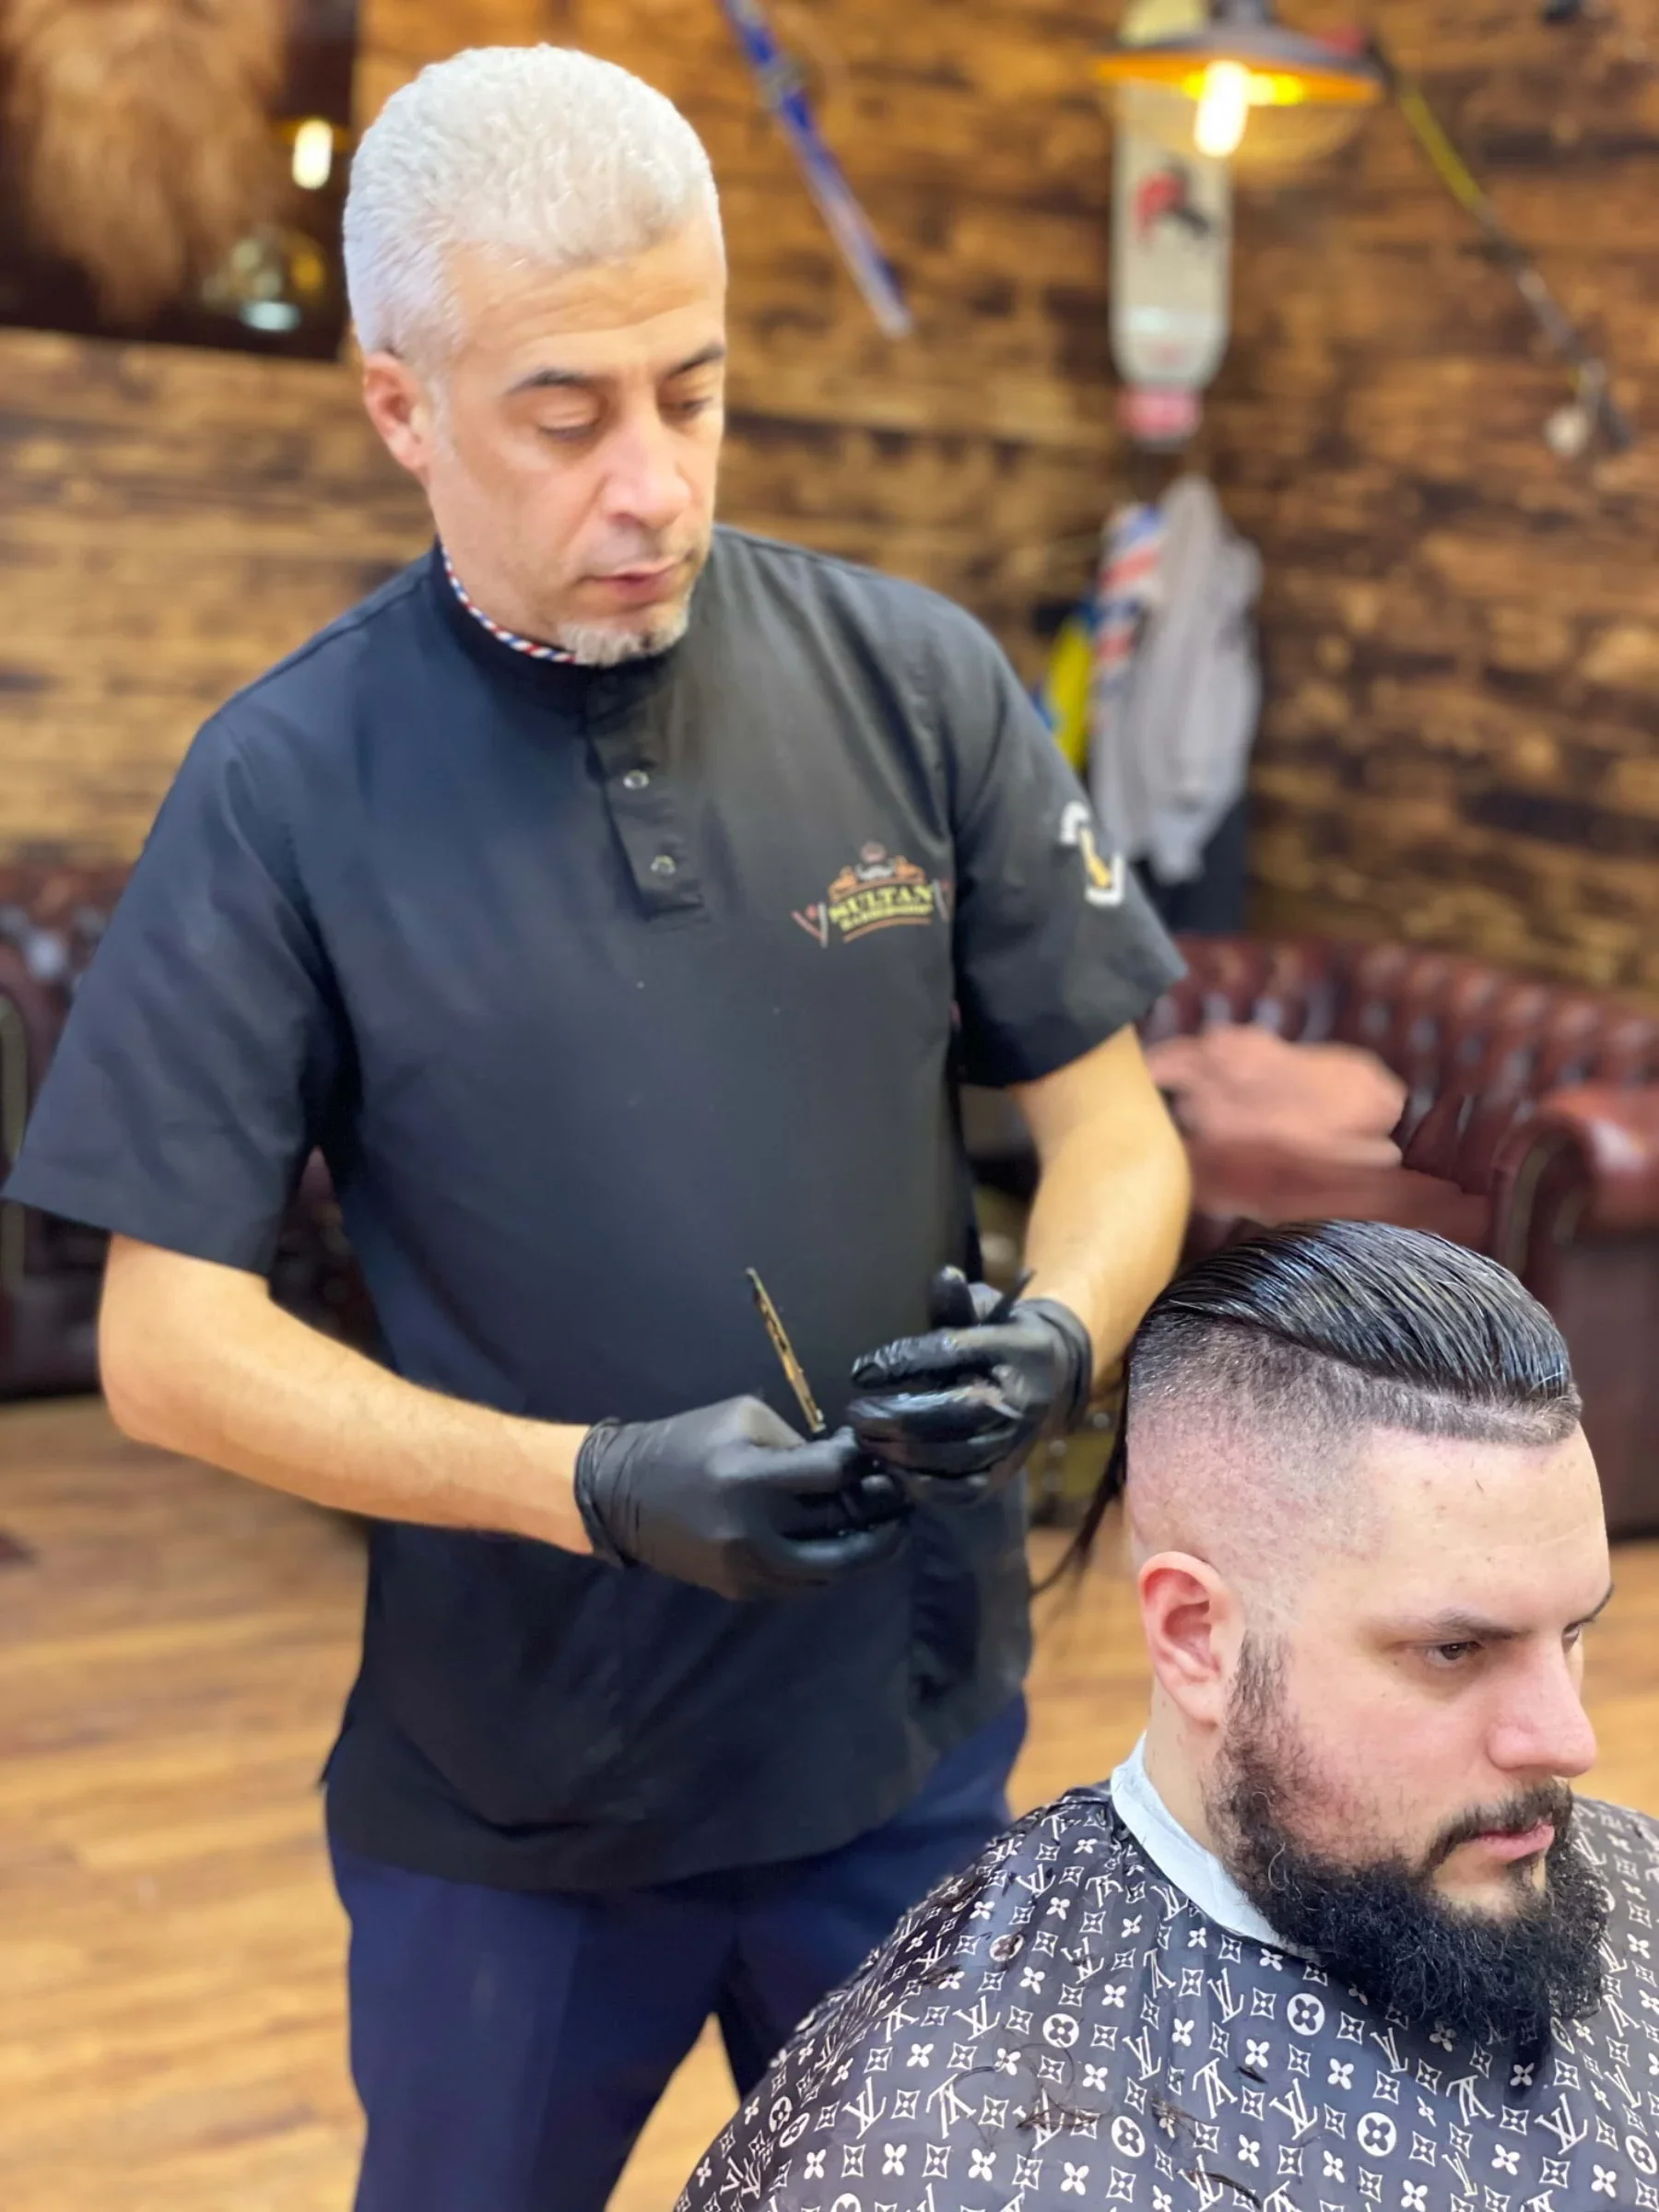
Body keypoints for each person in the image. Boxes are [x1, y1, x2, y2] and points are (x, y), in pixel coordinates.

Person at [1, 44, 1194, 2212]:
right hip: (526, 1798)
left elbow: (1117, 1131)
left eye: (696, 390)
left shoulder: (918, 683)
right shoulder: (283, 788)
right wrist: (594, 1483)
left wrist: (1060, 1333)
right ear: (402, 405)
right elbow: (170, 1344)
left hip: (903, 1736)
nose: (652, 478)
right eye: (567, 412)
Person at [678, 1221, 1659, 2212]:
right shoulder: (928, 2153)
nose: (1568, 1743)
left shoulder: (1635, 1883)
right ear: (1195, 1638)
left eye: (1573, 1632)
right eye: (1455, 1651)